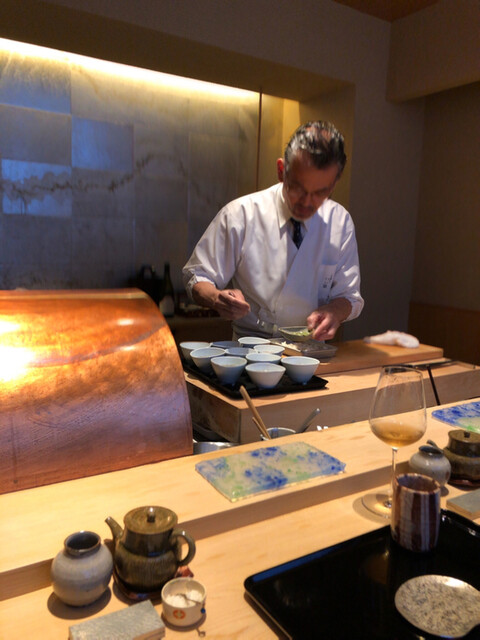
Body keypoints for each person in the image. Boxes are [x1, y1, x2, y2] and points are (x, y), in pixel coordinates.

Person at [182, 121, 363, 340]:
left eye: (320, 192)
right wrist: (217, 298)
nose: (307, 202)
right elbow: (197, 275)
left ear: (333, 184)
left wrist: (334, 311)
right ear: (281, 171)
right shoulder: (241, 214)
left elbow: (349, 296)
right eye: (298, 188)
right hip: (249, 348)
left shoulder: (340, 222)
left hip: (311, 350)